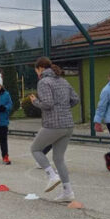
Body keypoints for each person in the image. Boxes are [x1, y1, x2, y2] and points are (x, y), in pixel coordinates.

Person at [29, 57, 80, 202]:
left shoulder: (44, 82)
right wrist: (63, 108)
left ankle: (52, 175)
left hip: (53, 124)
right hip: (68, 124)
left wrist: (35, 102)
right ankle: (68, 192)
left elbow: (48, 103)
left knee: (35, 149)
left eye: (36, 71)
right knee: (58, 158)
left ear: (40, 69)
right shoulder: (63, 81)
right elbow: (75, 99)